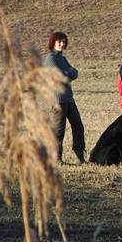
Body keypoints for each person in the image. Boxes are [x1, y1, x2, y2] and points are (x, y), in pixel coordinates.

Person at [44, 31, 86, 164]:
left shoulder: (62, 58)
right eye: (59, 42)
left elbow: (75, 73)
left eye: (64, 42)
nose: (62, 44)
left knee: (78, 127)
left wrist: (67, 72)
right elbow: (60, 76)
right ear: (53, 43)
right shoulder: (51, 59)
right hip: (58, 99)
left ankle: (80, 156)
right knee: (58, 130)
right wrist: (68, 72)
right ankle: (56, 158)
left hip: (69, 98)